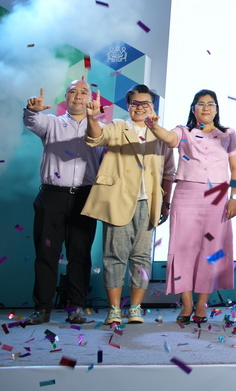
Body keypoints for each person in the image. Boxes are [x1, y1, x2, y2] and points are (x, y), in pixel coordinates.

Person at [81, 84, 175, 325]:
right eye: (135, 103)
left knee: (142, 257)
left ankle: (135, 308)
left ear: (153, 107)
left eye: (146, 103)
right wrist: (91, 118)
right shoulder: (118, 127)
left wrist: (166, 203)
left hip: (148, 202)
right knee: (114, 256)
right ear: (128, 106)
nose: (140, 107)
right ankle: (114, 309)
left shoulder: (160, 133)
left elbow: (170, 166)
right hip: (119, 200)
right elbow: (96, 137)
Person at [145, 90, 236, 323]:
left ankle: (201, 305)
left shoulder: (228, 134)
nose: (206, 108)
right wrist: (153, 126)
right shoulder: (184, 131)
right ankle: (186, 304)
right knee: (182, 249)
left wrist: (235, 197)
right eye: (201, 104)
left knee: (211, 250)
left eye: (210, 104)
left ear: (216, 109)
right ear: (193, 108)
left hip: (218, 195)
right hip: (186, 193)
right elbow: (169, 139)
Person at [23, 81, 104, 325]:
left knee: (80, 254)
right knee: (46, 254)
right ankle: (42, 308)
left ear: (92, 99)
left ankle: (76, 307)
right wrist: (32, 111)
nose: (78, 96)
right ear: (66, 97)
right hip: (52, 197)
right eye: (73, 92)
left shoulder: (102, 129)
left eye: (84, 92)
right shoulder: (51, 123)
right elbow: (32, 122)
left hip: (85, 197)